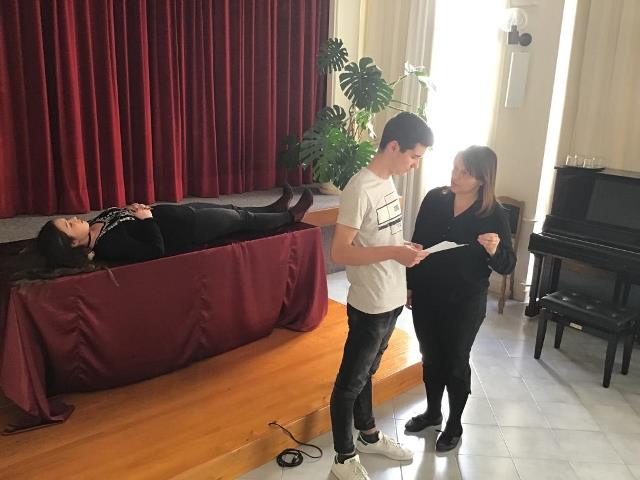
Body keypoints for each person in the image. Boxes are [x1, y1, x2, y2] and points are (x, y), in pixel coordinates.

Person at [329, 112, 434, 480]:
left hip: (391, 296)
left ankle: (369, 435)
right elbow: (340, 252)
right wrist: (393, 252)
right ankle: (343, 458)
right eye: (414, 156)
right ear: (393, 147)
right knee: (349, 384)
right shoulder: (360, 188)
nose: (415, 164)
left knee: (368, 374)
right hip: (370, 302)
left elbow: (379, 237)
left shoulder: (388, 181)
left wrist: (403, 246)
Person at [404, 146, 516, 452]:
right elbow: (417, 244)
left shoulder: (494, 213)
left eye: (464, 172)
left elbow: (507, 265)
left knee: (455, 361)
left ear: (482, 178)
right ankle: (432, 412)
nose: (455, 176)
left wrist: (494, 250)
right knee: (430, 357)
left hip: (465, 299)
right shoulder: (434, 199)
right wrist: (410, 285)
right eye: (454, 168)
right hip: (428, 292)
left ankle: (454, 424)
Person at [37, 185, 313, 268]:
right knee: (242, 220)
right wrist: (146, 219)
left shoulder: (95, 223)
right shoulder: (109, 246)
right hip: (189, 229)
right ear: (73, 242)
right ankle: (291, 216)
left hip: (178, 214)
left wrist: (134, 209)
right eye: (69, 225)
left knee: (234, 210)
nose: (74, 219)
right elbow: (154, 250)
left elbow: (124, 216)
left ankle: (276, 208)